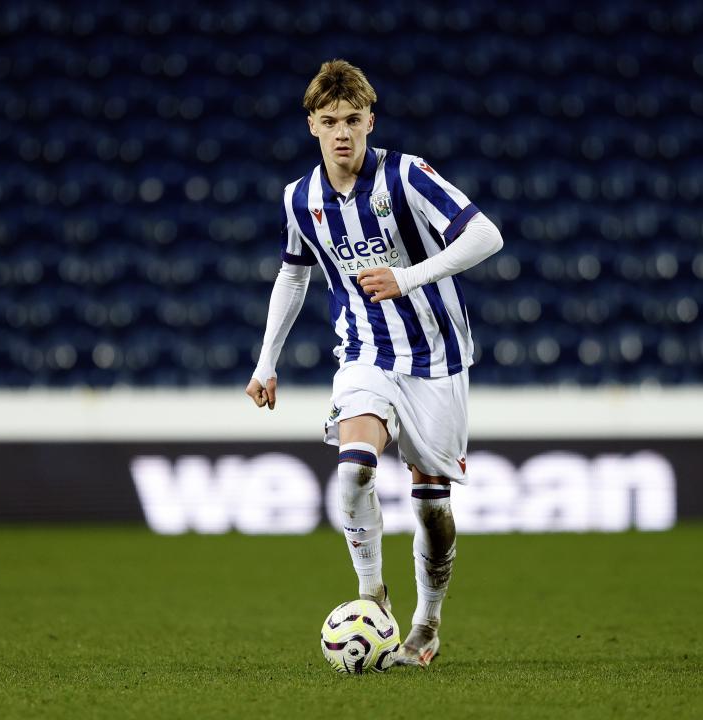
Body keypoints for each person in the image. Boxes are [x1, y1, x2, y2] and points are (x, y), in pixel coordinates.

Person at [245, 59, 503, 668]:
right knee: (354, 467)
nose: (342, 132)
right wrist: (266, 363)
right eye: (330, 120)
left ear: (370, 121)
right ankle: (372, 596)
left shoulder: (407, 176)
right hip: (363, 352)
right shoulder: (299, 198)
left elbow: (486, 235)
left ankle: (427, 621)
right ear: (311, 124)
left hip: (436, 359)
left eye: (353, 120)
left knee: (431, 505)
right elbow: (293, 273)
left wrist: (409, 277)